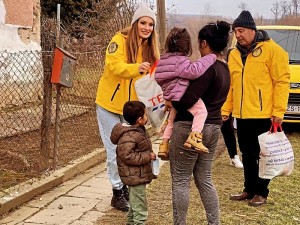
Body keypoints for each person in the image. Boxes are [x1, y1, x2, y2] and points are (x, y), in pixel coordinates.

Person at [95, 2, 159, 212]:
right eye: (143, 22)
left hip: (131, 111)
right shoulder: (119, 40)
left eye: (150, 24)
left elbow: (152, 81)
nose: (147, 28)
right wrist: (136, 69)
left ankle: (128, 187)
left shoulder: (151, 48)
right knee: (114, 150)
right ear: (135, 23)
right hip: (109, 105)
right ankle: (117, 192)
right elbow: (114, 66)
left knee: (130, 149)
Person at [221, 10, 290, 206]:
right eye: (235, 31)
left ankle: (262, 192)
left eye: (241, 30)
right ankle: (248, 189)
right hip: (242, 115)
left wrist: (278, 111)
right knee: (247, 153)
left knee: (264, 155)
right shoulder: (233, 54)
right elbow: (232, 86)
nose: (238, 35)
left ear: (252, 30)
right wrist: (226, 110)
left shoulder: (272, 51)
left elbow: (281, 82)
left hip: (264, 114)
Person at [169, 21, 231, 225]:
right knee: (204, 179)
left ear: (204, 43)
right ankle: (215, 223)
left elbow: (187, 99)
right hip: (213, 128)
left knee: (180, 179)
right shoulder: (224, 69)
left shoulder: (206, 68)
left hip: (190, 128)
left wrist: (170, 99)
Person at [154, 27, 217, 160]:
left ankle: (164, 145)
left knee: (171, 121)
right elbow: (194, 71)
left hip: (171, 96)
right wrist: (210, 57)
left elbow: (160, 78)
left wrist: (168, 94)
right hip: (182, 95)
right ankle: (195, 137)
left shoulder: (162, 60)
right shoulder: (180, 61)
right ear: (187, 45)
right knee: (201, 112)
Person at [110, 101, 156, 224]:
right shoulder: (130, 135)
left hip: (137, 175)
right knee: (140, 211)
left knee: (134, 208)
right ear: (140, 119)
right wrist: (147, 156)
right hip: (135, 176)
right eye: (146, 115)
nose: (147, 117)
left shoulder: (138, 130)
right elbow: (127, 155)